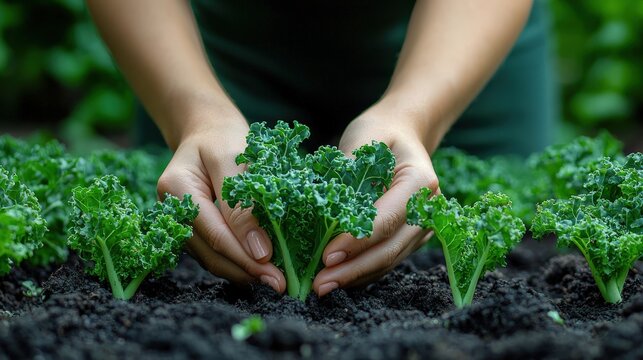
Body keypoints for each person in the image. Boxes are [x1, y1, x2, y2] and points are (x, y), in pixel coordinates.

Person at [86, 0, 557, 297]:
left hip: (456, 36)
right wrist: (193, 116)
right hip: (210, 51)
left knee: (512, 239)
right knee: (207, 217)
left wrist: (415, 115)